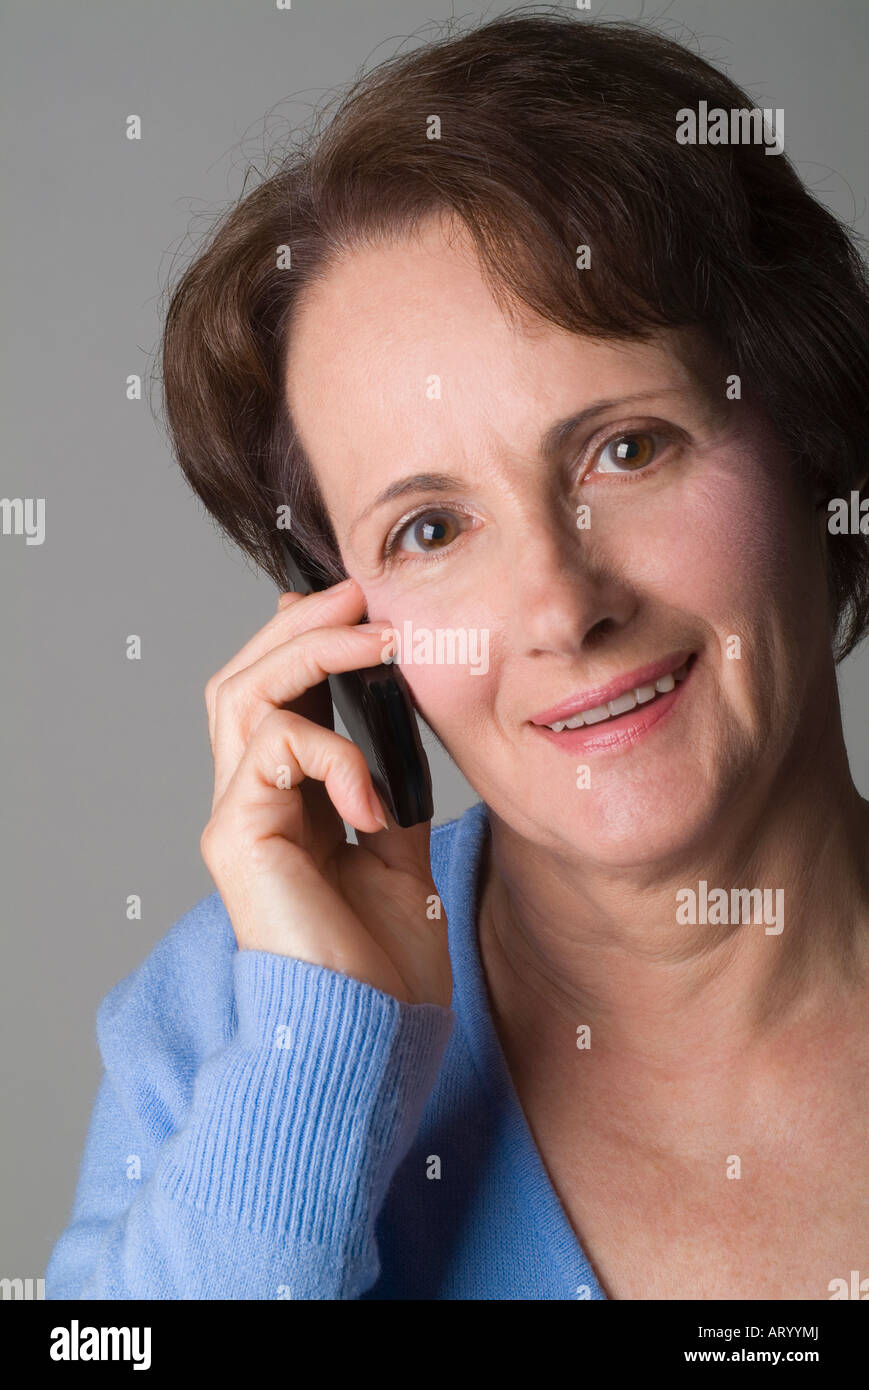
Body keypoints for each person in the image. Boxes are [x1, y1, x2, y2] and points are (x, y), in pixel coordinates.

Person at [46, 9, 869, 1300]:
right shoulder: (229, 1019)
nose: (559, 606)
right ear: (346, 633)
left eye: (626, 449)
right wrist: (320, 1056)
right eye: (430, 529)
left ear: (814, 435)